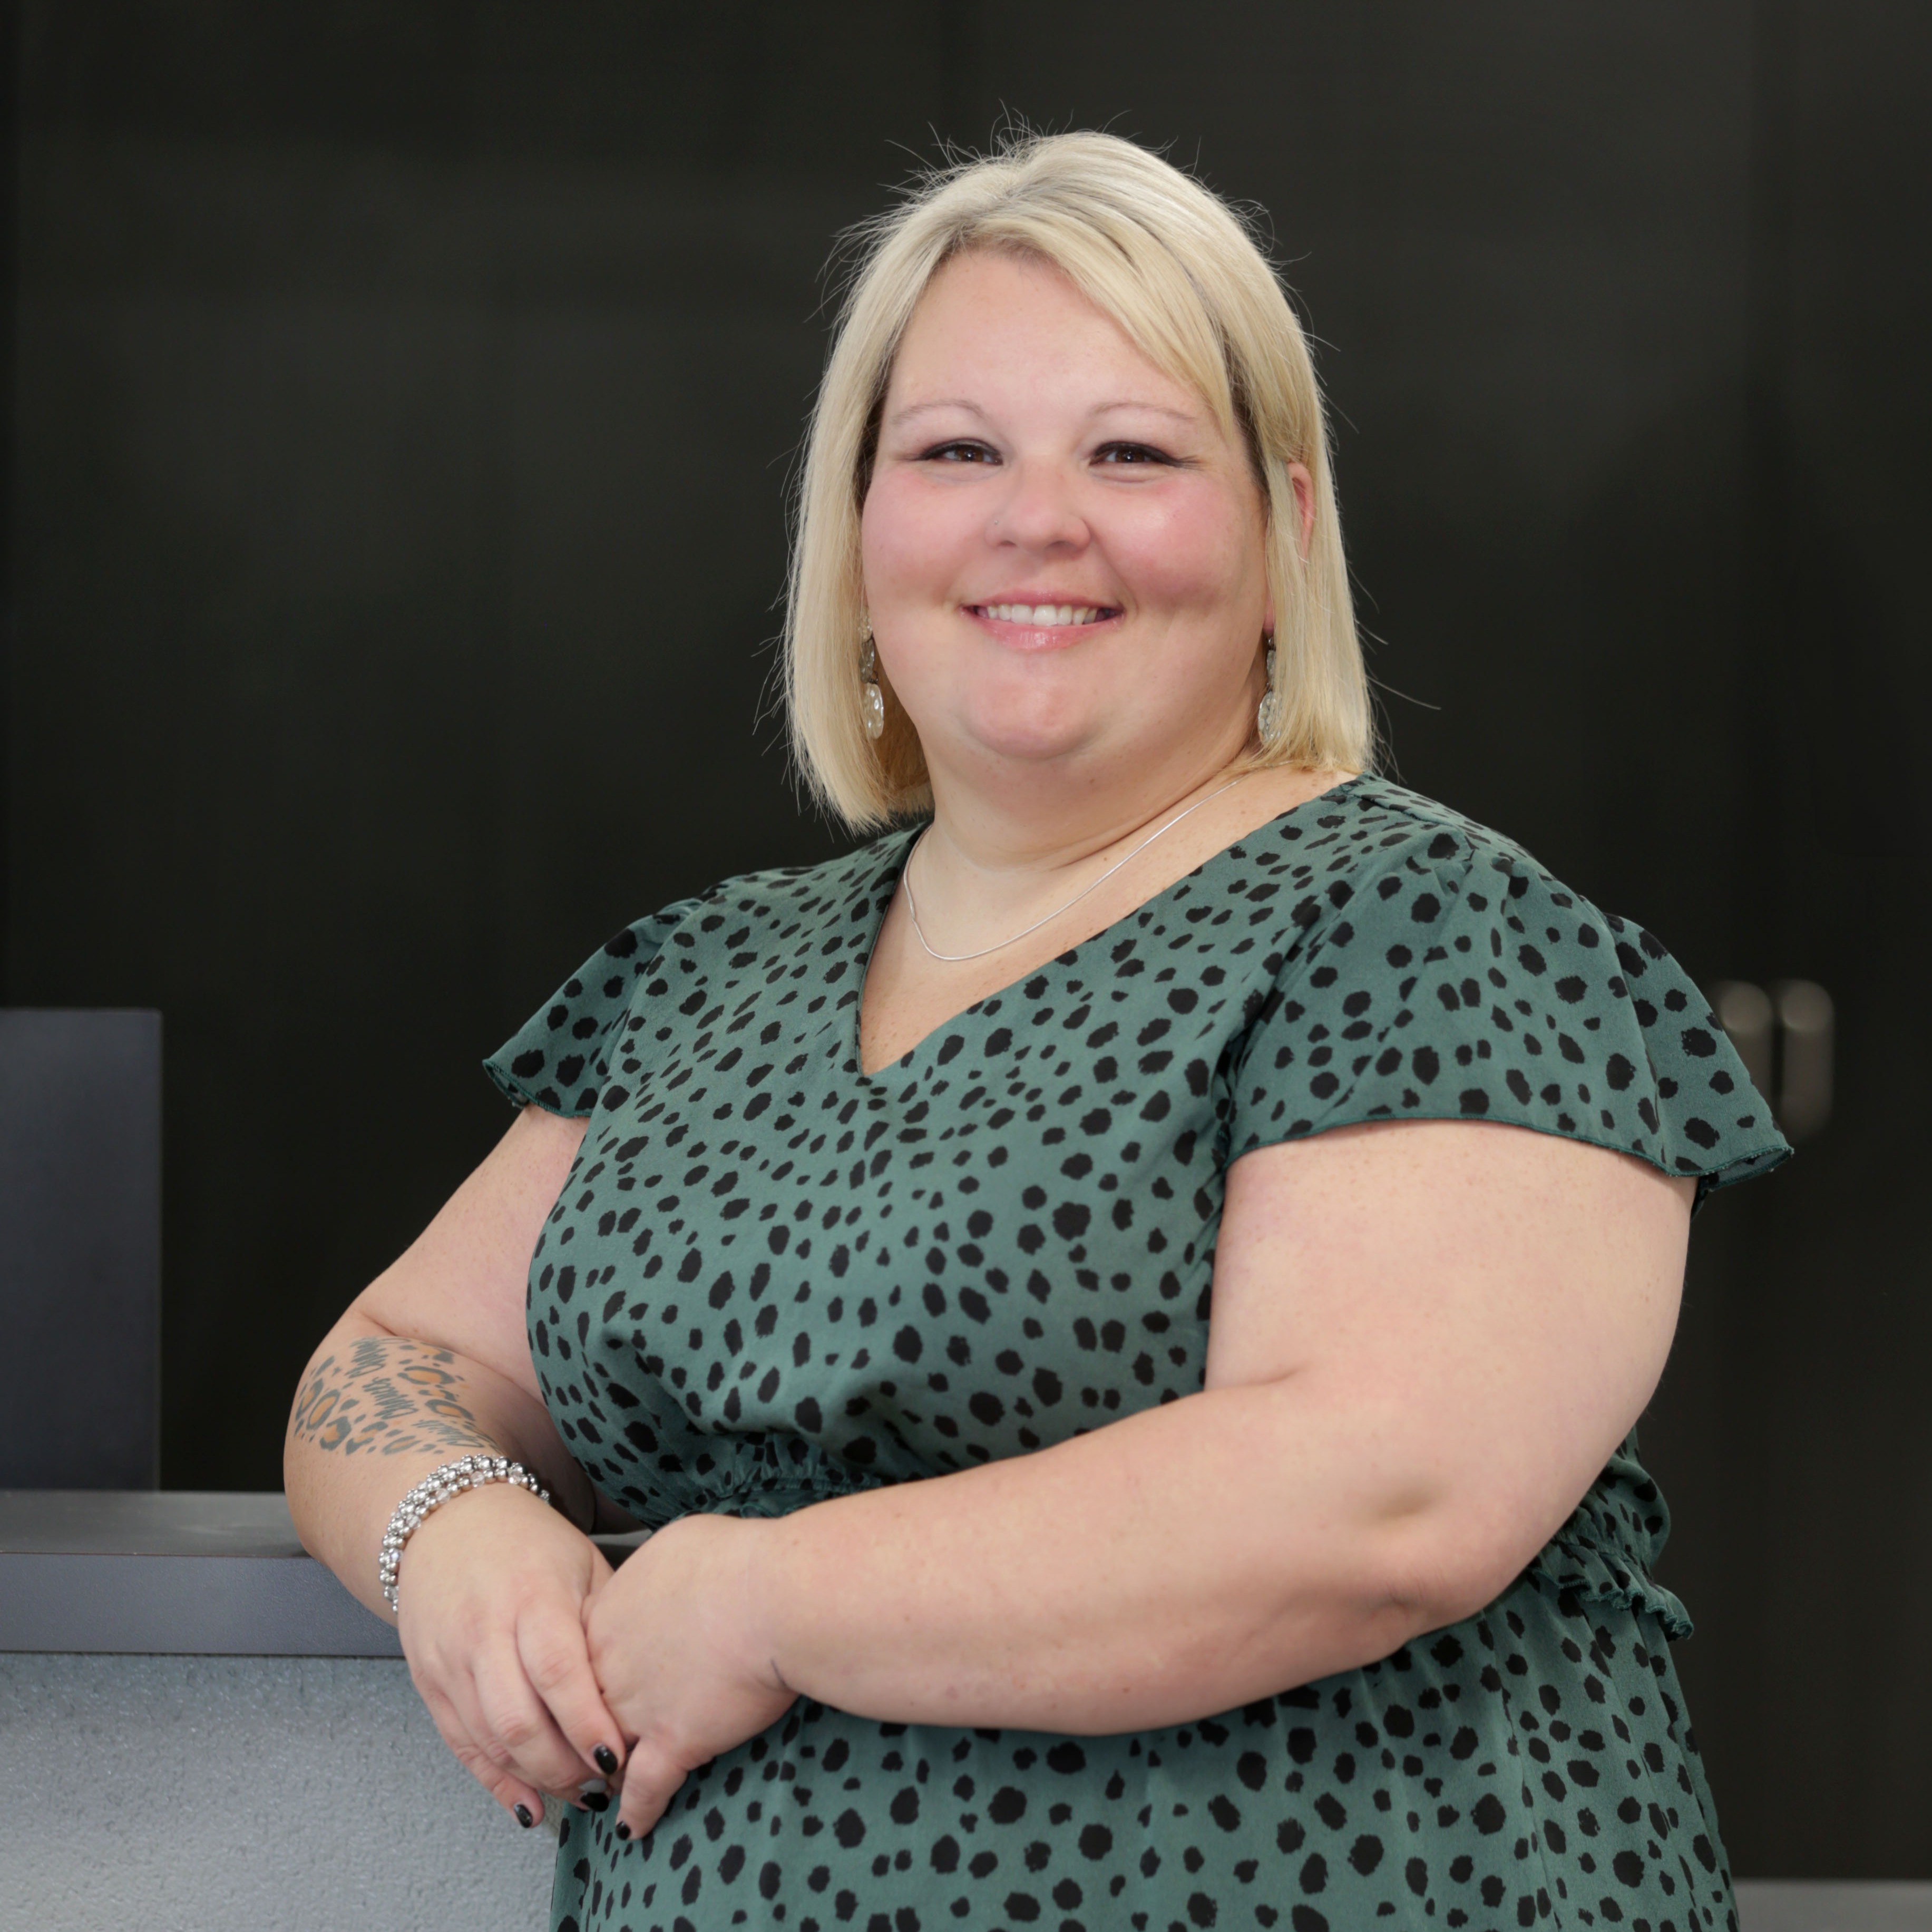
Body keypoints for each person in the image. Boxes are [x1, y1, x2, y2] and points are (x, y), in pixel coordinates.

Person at [287, 131, 1786, 1932]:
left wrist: (766, 1601)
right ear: (859, 533)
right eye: (954, 452)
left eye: (1133, 453)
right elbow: (393, 1354)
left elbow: (1380, 1495)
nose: (1034, 521)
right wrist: (448, 1525)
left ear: (1281, 532)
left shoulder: (1422, 927)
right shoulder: (702, 977)